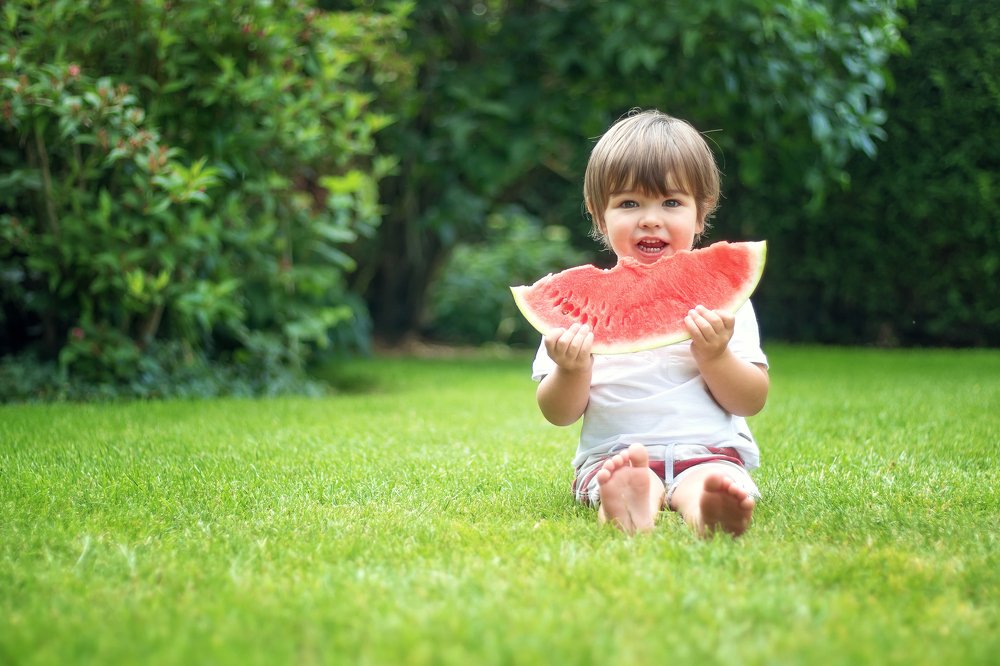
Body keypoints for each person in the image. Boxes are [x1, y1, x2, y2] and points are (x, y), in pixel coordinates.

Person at [531, 109, 770, 536]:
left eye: (672, 202)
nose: (650, 218)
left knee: (709, 480)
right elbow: (558, 413)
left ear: (702, 213)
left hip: (709, 453)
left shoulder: (725, 306)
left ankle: (708, 508)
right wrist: (571, 368)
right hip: (614, 457)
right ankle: (629, 501)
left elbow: (749, 400)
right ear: (598, 214)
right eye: (629, 203)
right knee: (618, 478)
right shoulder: (578, 316)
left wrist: (715, 355)